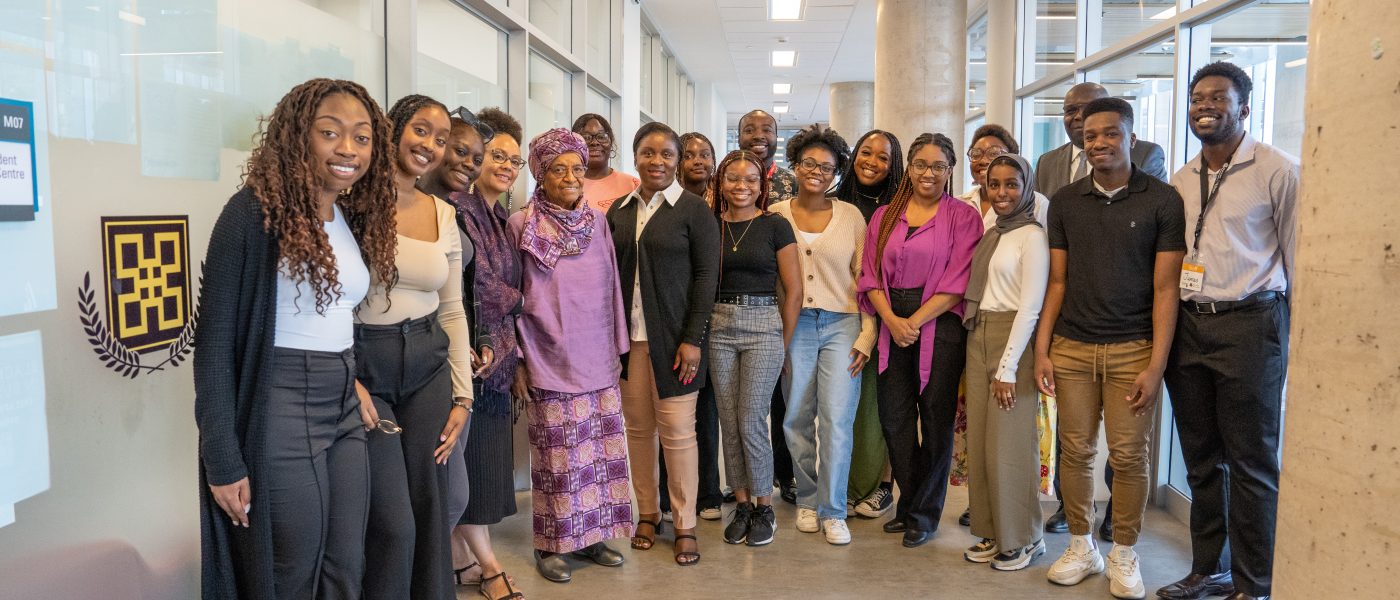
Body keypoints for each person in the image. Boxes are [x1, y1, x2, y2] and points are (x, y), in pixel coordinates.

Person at [194, 78, 398, 600]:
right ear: (296, 136)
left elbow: (331, 318)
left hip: (342, 401)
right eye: (330, 133)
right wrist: (222, 457)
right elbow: (214, 346)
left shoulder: (348, 215)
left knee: (346, 561)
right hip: (281, 401)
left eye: (362, 137)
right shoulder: (250, 214)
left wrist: (350, 380)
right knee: (291, 568)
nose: (348, 149)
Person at [1034, 98, 1185, 600]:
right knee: (1073, 453)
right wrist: (1042, 350)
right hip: (1072, 347)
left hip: (1133, 350)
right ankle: (1082, 545)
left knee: (1129, 456)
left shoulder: (1162, 200)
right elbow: (1057, 281)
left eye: (1110, 133)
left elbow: (1167, 290)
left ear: (1131, 137)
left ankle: (1124, 551)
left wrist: (1156, 364)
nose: (1098, 142)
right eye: (1090, 135)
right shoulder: (1066, 202)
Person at [1157, 62, 1297, 600]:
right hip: (1190, 327)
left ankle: (1254, 582)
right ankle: (1206, 569)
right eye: (1197, 99)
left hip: (1251, 324)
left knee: (1253, 462)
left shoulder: (1277, 170)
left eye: (1218, 97)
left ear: (1245, 106)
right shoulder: (1180, 180)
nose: (1205, 106)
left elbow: (1298, 257)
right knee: (1200, 459)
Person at [355, 94, 472, 600]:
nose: (430, 145)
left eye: (441, 139)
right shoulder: (351, 203)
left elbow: (452, 310)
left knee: (433, 506)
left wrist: (463, 396)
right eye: (421, 130)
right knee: (394, 521)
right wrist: (348, 379)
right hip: (366, 368)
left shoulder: (444, 213)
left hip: (427, 367)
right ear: (394, 128)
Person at [509, 128, 632, 585]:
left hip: (597, 354)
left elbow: (613, 287)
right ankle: (551, 544)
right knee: (558, 458)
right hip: (548, 356)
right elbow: (511, 295)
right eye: (558, 169)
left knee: (599, 453)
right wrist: (519, 358)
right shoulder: (521, 224)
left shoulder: (598, 223)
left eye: (577, 169)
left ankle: (593, 536)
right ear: (540, 173)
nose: (570, 177)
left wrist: (618, 345)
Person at [857, 133, 982, 549]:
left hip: (940, 324)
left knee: (934, 419)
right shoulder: (885, 216)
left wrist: (914, 320)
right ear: (908, 168)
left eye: (938, 166)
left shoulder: (963, 217)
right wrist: (892, 320)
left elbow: (959, 280)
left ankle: (925, 514)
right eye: (920, 165)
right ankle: (908, 503)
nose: (928, 173)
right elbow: (870, 275)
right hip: (892, 319)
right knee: (893, 416)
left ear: (949, 171)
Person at [607, 122, 721, 566]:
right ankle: (649, 515)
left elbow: (706, 277)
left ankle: (686, 522)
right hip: (629, 342)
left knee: (678, 433)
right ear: (635, 157)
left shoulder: (694, 210)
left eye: (666, 154)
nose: (657, 162)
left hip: (677, 343)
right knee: (638, 433)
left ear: (677, 160)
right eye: (648, 153)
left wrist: (693, 339)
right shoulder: (618, 209)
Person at [770, 125, 875, 545]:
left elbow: (866, 280)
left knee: (837, 420)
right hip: (793, 327)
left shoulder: (850, 216)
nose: (816, 171)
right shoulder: (775, 214)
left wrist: (867, 335)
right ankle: (809, 499)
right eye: (809, 163)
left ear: (836, 173)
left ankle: (833, 510)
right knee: (795, 417)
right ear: (795, 166)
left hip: (842, 325)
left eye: (826, 166)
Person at [954, 124, 1053, 528]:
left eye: (1011, 184)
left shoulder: (1032, 234)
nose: (1002, 193)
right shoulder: (994, 232)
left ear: (1026, 186)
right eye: (994, 185)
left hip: (1012, 337)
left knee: (1009, 444)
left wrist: (1009, 366)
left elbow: (1030, 307)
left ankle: (1021, 537)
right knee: (980, 441)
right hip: (977, 333)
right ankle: (987, 529)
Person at [448, 107, 528, 600]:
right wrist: (523, 300)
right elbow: (477, 285)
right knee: (470, 470)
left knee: (480, 469)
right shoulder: (459, 207)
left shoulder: (498, 214)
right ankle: (489, 565)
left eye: (514, 160)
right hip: (469, 358)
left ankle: (462, 563)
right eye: (497, 155)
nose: (505, 166)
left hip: (497, 360)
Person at [710, 149, 802, 547]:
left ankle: (766, 505)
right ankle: (743, 503)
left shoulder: (775, 225)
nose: (741, 186)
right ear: (721, 182)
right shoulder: (711, 226)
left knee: (750, 419)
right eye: (733, 178)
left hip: (764, 325)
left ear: (762, 185)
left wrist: (783, 343)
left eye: (750, 179)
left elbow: (795, 290)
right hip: (719, 326)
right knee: (729, 423)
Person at [414, 105, 491, 585]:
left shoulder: (450, 212)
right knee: (440, 490)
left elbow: (458, 296)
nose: (466, 161)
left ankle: (434, 575)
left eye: (474, 156)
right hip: (417, 366)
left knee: (452, 491)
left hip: (452, 363)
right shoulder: (410, 207)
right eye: (456, 149)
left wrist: (476, 343)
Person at [832, 129, 905, 519]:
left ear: (895, 166)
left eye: (883, 157)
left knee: (885, 406)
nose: (872, 161)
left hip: (891, 314)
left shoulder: (903, 207)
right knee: (847, 407)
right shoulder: (835, 203)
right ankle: (844, 481)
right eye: (866, 152)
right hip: (844, 315)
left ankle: (881, 485)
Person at [658, 130, 725, 523]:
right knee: (674, 413)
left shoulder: (726, 202)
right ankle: (670, 498)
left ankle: (710, 492)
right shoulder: (667, 205)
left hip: (717, 320)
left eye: (706, 154)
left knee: (708, 412)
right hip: (674, 321)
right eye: (690, 154)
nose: (698, 160)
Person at [738, 109, 799, 501]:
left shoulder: (792, 184)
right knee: (744, 408)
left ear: (777, 136)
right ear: (739, 136)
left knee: (783, 401)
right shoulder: (726, 183)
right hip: (742, 306)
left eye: (767, 129)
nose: (758, 135)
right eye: (749, 129)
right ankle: (745, 480)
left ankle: (786, 476)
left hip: (784, 305)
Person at [1037, 82, 1168, 203]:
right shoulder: (1046, 162)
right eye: (1071, 110)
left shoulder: (1146, 154)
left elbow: (1158, 205)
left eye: (1089, 109)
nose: (1078, 116)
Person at [574, 113, 640, 212]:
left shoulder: (634, 185)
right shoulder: (567, 184)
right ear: (574, 144)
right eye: (586, 137)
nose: (594, 142)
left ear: (611, 142)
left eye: (601, 136)